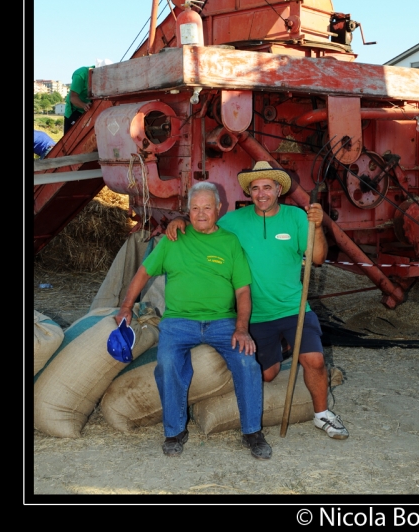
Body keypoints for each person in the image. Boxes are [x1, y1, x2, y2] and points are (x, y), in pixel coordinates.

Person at [166, 161, 349, 440]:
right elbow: (202, 222)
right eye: (255, 189)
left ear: (278, 189)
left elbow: (318, 258)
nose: (261, 193)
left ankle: (322, 415)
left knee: (314, 360)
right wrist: (178, 219)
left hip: (292, 308)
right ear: (249, 193)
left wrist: (319, 227)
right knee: (266, 374)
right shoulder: (233, 222)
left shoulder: (297, 217)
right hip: (255, 315)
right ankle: (283, 351)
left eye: (267, 187)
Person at [115, 181, 272, 460]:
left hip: (223, 322)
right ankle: (175, 431)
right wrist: (127, 306)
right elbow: (142, 273)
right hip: (178, 322)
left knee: (247, 361)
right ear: (187, 210)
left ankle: (252, 432)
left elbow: (243, 290)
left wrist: (241, 328)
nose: (201, 214)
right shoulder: (172, 240)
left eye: (207, 208)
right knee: (167, 363)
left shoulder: (229, 242)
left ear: (219, 209)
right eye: (195, 208)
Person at [63, 58, 112, 133]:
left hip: (90, 111)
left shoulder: (103, 78)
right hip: (75, 112)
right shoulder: (80, 74)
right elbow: (73, 98)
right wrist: (84, 105)